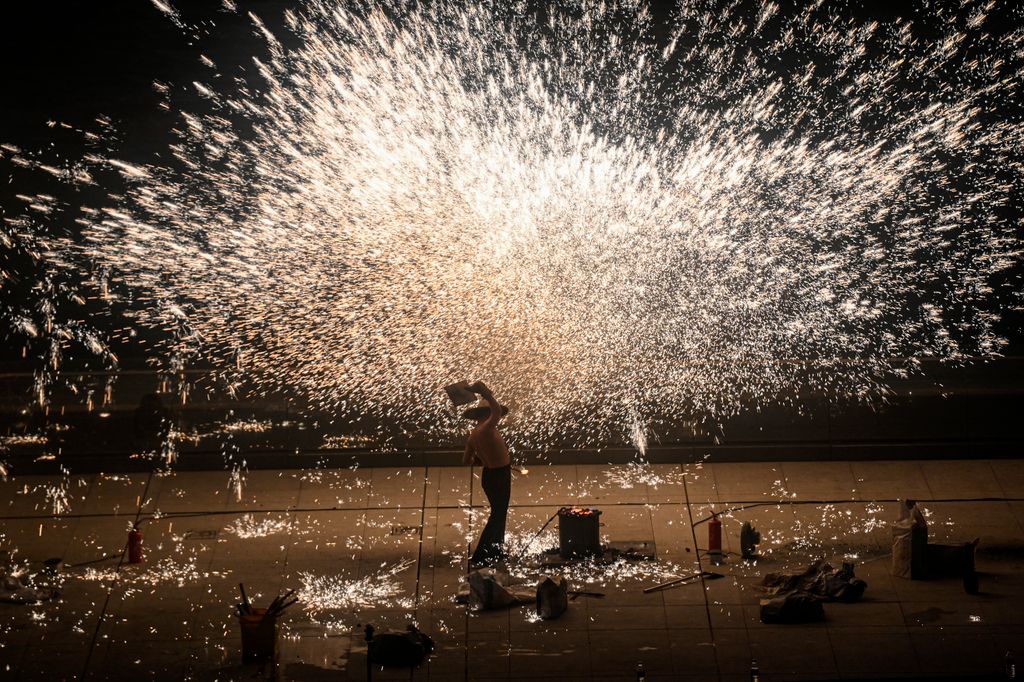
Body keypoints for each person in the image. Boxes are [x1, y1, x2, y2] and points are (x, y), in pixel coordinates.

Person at [462, 381, 510, 568]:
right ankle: (481, 555)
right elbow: (497, 410)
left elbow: (466, 461)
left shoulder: (474, 435)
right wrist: (486, 394)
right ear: (486, 414)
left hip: (489, 476)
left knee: (499, 514)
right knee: (498, 516)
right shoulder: (487, 428)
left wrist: (482, 459)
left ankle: (496, 552)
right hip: (499, 476)